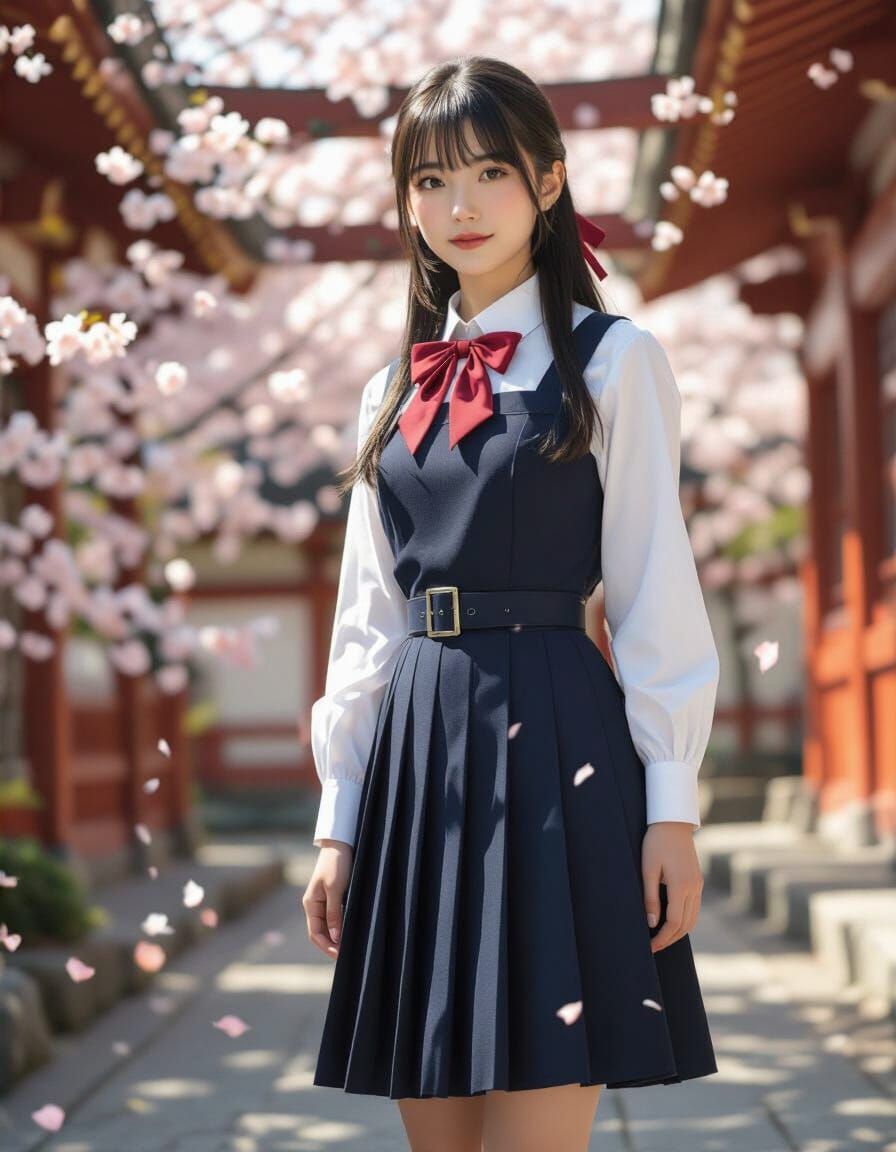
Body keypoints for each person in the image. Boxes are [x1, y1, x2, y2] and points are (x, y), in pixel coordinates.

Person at [302, 54, 720, 1152]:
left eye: (489, 172)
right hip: (417, 755)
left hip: (559, 747)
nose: (460, 205)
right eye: (430, 181)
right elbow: (366, 619)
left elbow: (650, 587)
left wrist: (669, 802)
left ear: (547, 180)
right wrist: (338, 819)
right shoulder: (386, 388)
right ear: (404, 202)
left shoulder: (613, 361)